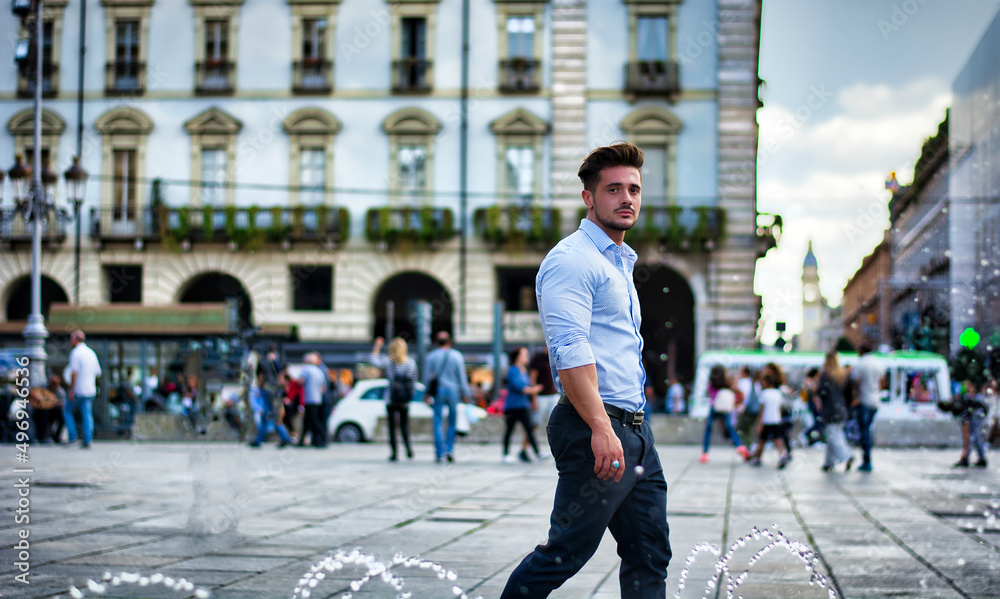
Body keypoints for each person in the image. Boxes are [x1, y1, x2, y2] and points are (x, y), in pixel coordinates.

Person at [501, 141, 671, 599]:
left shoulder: (617, 261)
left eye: (633, 189)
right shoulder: (571, 260)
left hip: (633, 429)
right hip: (595, 424)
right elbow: (569, 350)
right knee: (567, 552)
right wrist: (600, 426)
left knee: (650, 552)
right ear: (589, 198)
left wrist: (627, 430)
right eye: (613, 189)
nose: (627, 198)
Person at [423, 331, 471, 463]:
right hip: (453, 391)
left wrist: (426, 393)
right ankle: (449, 449)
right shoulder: (456, 356)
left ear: (436, 342)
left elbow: (427, 377)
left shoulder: (431, 356)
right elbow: (462, 377)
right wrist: (466, 393)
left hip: (438, 391)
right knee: (452, 422)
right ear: (449, 341)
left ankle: (439, 453)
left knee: (437, 421)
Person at [370, 336, 418, 461]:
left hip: (391, 399)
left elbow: (374, 361)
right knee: (404, 426)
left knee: (392, 427)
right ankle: (408, 449)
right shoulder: (411, 363)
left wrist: (377, 346)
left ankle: (394, 453)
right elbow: (413, 383)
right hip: (404, 401)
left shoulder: (389, 362)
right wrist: (409, 396)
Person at [699, 365, 749, 463]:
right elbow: (740, 394)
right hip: (726, 408)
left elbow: (709, 394)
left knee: (708, 429)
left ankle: (705, 453)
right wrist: (734, 403)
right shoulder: (728, 382)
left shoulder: (712, 383)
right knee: (729, 427)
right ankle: (740, 446)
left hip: (715, 407)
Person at [503, 346, 544, 463]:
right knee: (509, 430)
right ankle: (505, 454)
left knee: (529, 429)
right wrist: (534, 390)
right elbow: (519, 387)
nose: (526, 357)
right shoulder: (513, 370)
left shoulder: (524, 370)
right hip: (512, 406)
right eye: (524, 354)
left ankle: (538, 452)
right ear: (517, 357)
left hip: (523, 405)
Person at [64, 330, 102, 449]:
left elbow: (74, 372)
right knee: (87, 414)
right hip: (90, 390)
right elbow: (98, 372)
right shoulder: (91, 353)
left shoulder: (75, 353)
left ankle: (73, 437)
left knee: (67, 411)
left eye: (71, 338)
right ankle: (87, 439)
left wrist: (71, 390)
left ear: (75, 339)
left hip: (79, 390)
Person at [817, 351, 853, 472]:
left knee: (832, 435)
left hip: (830, 409)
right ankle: (829, 462)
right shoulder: (842, 375)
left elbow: (822, 392)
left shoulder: (826, 375)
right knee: (834, 434)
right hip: (842, 408)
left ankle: (846, 457)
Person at [748, 365, 791, 469]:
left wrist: (759, 424)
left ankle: (758, 457)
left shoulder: (764, 393)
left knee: (762, 440)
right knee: (777, 439)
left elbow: (762, 410)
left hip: (766, 421)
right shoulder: (778, 393)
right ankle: (783, 454)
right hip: (776, 420)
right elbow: (780, 408)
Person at [525, 346, 558, 460]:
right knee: (534, 423)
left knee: (556, 424)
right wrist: (533, 398)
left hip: (553, 395)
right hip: (541, 395)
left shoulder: (555, 356)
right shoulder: (538, 357)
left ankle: (557, 451)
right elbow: (532, 378)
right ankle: (525, 449)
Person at [852, 343, 881, 471]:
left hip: (864, 400)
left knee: (864, 431)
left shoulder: (861, 363)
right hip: (875, 401)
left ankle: (866, 460)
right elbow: (883, 381)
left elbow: (855, 381)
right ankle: (867, 458)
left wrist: (856, 397)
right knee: (867, 429)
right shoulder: (878, 363)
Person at [249, 369, 293, 448]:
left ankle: (285, 438)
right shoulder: (274, 367)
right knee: (267, 419)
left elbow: (261, 377)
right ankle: (259, 439)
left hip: (271, 398)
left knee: (273, 419)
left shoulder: (265, 366)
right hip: (272, 398)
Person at [950, 381, 989, 468]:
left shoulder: (959, 406)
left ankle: (966, 458)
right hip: (978, 413)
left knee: (971, 436)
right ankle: (981, 458)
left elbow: (966, 429)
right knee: (976, 436)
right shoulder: (963, 402)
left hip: (977, 414)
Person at [297, 352, 329, 448]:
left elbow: (300, 381)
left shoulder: (305, 369)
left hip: (309, 399)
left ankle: (323, 437)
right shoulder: (319, 370)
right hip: (318, 399)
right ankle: (306, 440)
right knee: (309, 420)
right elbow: (324, 387)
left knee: (313, 420)